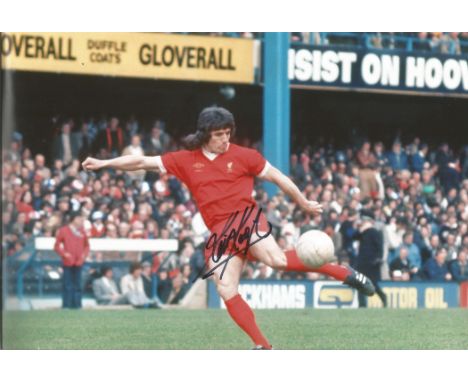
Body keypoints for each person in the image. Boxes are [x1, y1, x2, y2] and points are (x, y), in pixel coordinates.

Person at [82, 106, 375, 349]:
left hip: (246, 220)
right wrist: (105, 163)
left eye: (227, 133)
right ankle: (263, 346)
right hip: (220, 233)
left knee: (277, 261)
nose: (225, 139)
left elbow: (279, 178)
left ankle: (343, 272)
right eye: (219, 134)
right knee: (225, 288)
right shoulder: (184, 160)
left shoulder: (244, 156)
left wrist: (304, 202)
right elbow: (141, 161)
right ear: (204, 135)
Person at [54, 212, 90, 309]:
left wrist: (83, 256)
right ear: (73, 219)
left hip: (79, 262)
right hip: (68, 262)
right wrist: (65, 254)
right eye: (79, 218)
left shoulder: (83, 231)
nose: (81, 220)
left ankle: (77, 305)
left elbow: (87, 246)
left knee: (78, 284)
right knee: (67, 284)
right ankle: (66, 305)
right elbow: (56, 246)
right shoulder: (64, 230)